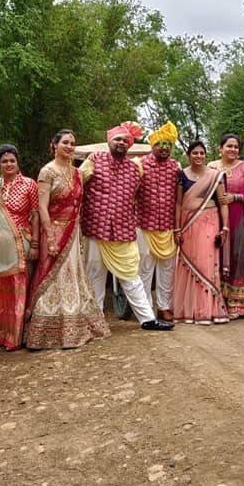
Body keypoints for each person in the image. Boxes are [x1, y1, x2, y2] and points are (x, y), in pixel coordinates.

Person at [80, 122, 173, 331]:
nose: (121, 143)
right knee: (95, 273)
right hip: (96, 228)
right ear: (109, 141)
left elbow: (143, 196)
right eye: (118, 139)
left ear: (130, 145)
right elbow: (76, 185)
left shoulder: (134, 168)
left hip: (123, 230)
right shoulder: (94, 160)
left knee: (132, 275)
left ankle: (148, 319)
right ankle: (96, 320)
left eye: (125, 140)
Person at [26, 130, 110, 348]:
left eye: (73, 143)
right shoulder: (47, 172)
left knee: (74, 275)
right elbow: (42, 208)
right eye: (65, 142)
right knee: (53, 277)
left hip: (73, 232)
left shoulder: (77, 173)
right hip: (54, 232)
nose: (70, 146)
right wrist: (51, 238)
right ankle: (45, 334)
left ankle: (75, 327)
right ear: (54, 145)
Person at [0, 144, 39, 352]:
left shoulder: (29, 184)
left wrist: (36, 243)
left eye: (12, 160)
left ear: (18, 163)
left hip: (20, 245)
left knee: (17, 289)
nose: (9, 164)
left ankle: (16, 337)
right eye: (4, 161)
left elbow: (36, 214)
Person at [172, 140, 230, 325]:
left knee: (206, 263)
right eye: (195, 153)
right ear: (188, 155)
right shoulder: (182, 175)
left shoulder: (215, 176)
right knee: (189, 263)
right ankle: (189, 310)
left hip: (209, 221)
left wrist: (225, 227)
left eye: (202, 153)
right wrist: (177, 228)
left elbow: (223, 202)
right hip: (188, 224)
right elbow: (179, 204)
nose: (199, 156)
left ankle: (208, 309)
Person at [209, 134, 244, 318]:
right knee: (217, 256)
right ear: (220, 148)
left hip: (239, 219)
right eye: (229, 146)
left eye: (236, 147)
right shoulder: (211, 167)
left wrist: (235, 197)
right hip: (215, 219)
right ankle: (217, 301)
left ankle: (239, 304)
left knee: (239, 256)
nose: (233, 150)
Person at [137, 121, 181, 323]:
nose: (164, 148)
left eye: (168, 144)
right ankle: (145, 308)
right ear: (152, 145)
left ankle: (164, 306)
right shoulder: (140, 164)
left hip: (168, 226)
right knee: (145, 268)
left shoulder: (176, 166)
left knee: (167, 268)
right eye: (160, 144)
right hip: (144, 225)